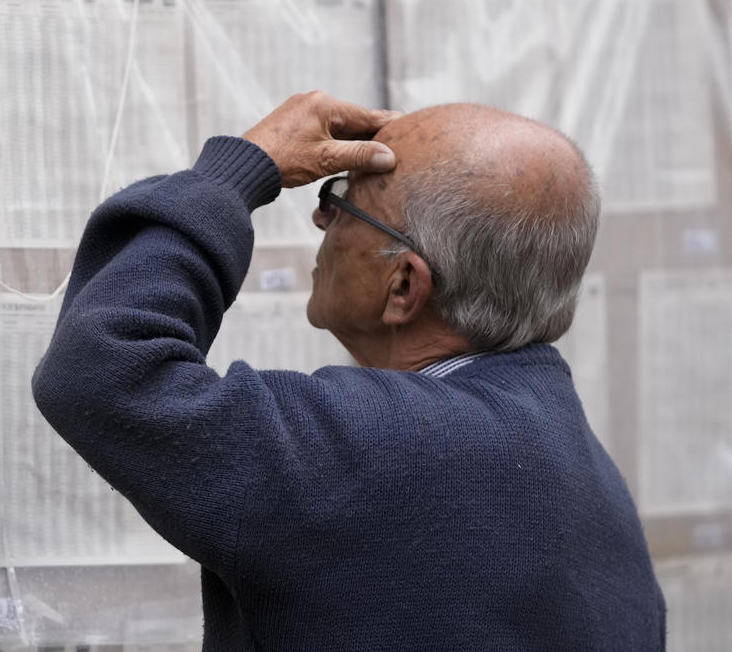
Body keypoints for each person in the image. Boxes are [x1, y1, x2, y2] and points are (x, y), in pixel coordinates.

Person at [32, 92, 666, 650]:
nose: (320, 217)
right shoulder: (580, 466)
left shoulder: (380, 451)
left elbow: (99, 367)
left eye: (343, 201)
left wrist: (237, 173)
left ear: (403, 286)